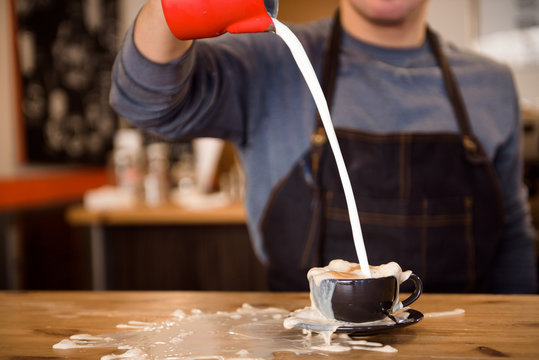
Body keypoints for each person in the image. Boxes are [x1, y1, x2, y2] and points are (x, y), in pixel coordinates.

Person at [110, 0, 537, 293]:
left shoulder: (491, 84)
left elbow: (512, 241)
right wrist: (169, 13)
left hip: (457, 342)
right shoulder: (269, 61)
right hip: (300, 345)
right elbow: (143, 103)